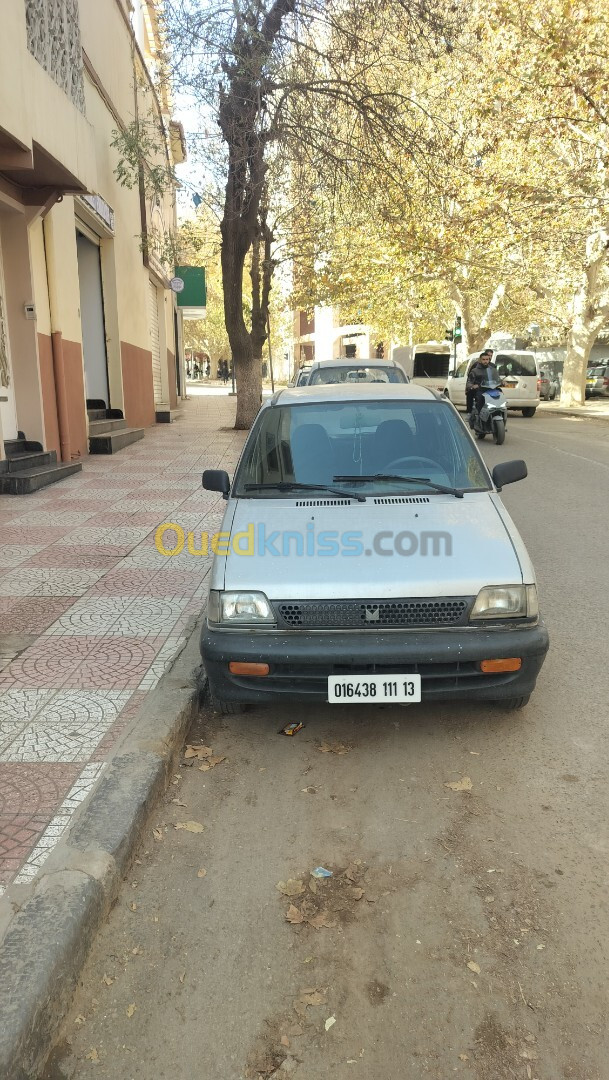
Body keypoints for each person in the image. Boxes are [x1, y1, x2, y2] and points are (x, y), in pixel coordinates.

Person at [466, 349, 499, 418]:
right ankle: (477, 414)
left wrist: (502, 382)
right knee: (476, 395)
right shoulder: (475, 369)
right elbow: (469, 381)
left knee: (500, 393)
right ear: (480, 360)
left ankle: (500, 410)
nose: (486, 361)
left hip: (491, 389)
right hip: (481, 389)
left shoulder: (493, 369)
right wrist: (472, 385)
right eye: (483, 359)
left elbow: (497, 379)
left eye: (487, 359)